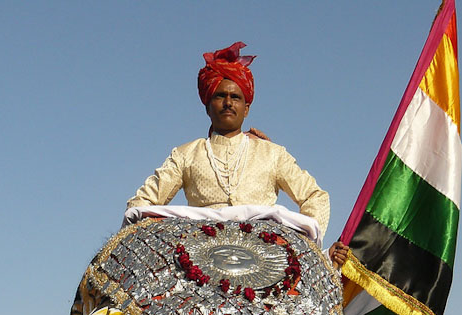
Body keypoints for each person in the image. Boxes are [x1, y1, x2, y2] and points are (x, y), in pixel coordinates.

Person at [126, 42, 331, 240]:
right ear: (207, 106)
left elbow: (315, 197)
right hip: (198, 257)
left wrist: (302, 242)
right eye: (220, 96)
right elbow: (141, 204)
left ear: (246, 108)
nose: (228, 103)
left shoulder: (272, 154)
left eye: (235, 97)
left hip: (267, 256)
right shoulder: (185, 155)